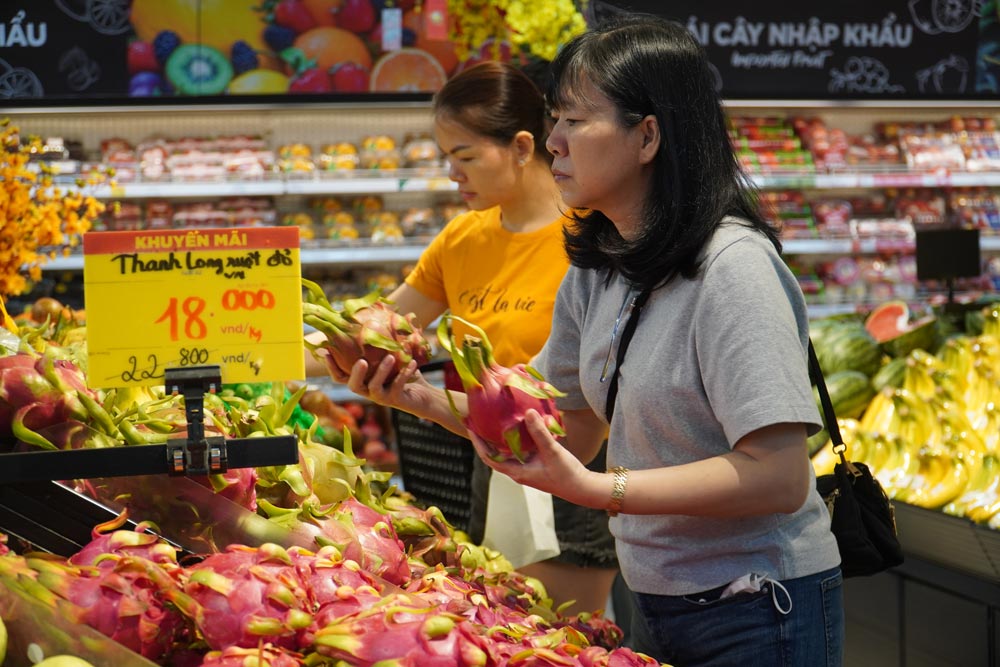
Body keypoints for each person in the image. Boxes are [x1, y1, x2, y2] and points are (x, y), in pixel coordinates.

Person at [351, 14, 845, 667]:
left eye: (574, 121)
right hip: (657, 597)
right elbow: (565, 426)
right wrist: (418, 398)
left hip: (759, 605)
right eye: (555, 119)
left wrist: (601, 489)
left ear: (647, 136)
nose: (552, 141)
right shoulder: (600, 267)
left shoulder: (733, 269)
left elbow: (778, 475)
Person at [308, 61, 620, 617]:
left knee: (564, 638)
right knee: (504, 630)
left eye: (467, 157)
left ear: (523, 147)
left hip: (574, 467)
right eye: (447, 158)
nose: (454, 175)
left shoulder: (593, 237)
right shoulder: (462, 239)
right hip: (492, 463)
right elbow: (379, 327)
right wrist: (272, 347)